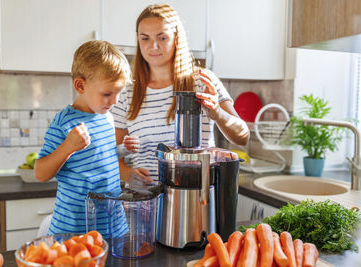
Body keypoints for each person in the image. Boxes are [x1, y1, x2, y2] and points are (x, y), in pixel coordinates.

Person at [112, 4, 250, 184]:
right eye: (145, 38)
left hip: (196, 198)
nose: (153, 46)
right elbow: (112, 153)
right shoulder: (127, 92)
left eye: (162, 37)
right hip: (146, 202)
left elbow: (242, 136)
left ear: (176, 39)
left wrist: (216, 112)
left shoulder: (202, 81)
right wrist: (126, 174)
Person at [34, 40, 139, 236]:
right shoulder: (64, 123)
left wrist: (123, 149)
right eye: (108, 93)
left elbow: (102, 156)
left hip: (112, 226)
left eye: (118, 93)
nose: (115, 101)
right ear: (80, 85)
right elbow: (40, 173)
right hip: (75, 230)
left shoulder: (106, 117)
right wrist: (67, 147)